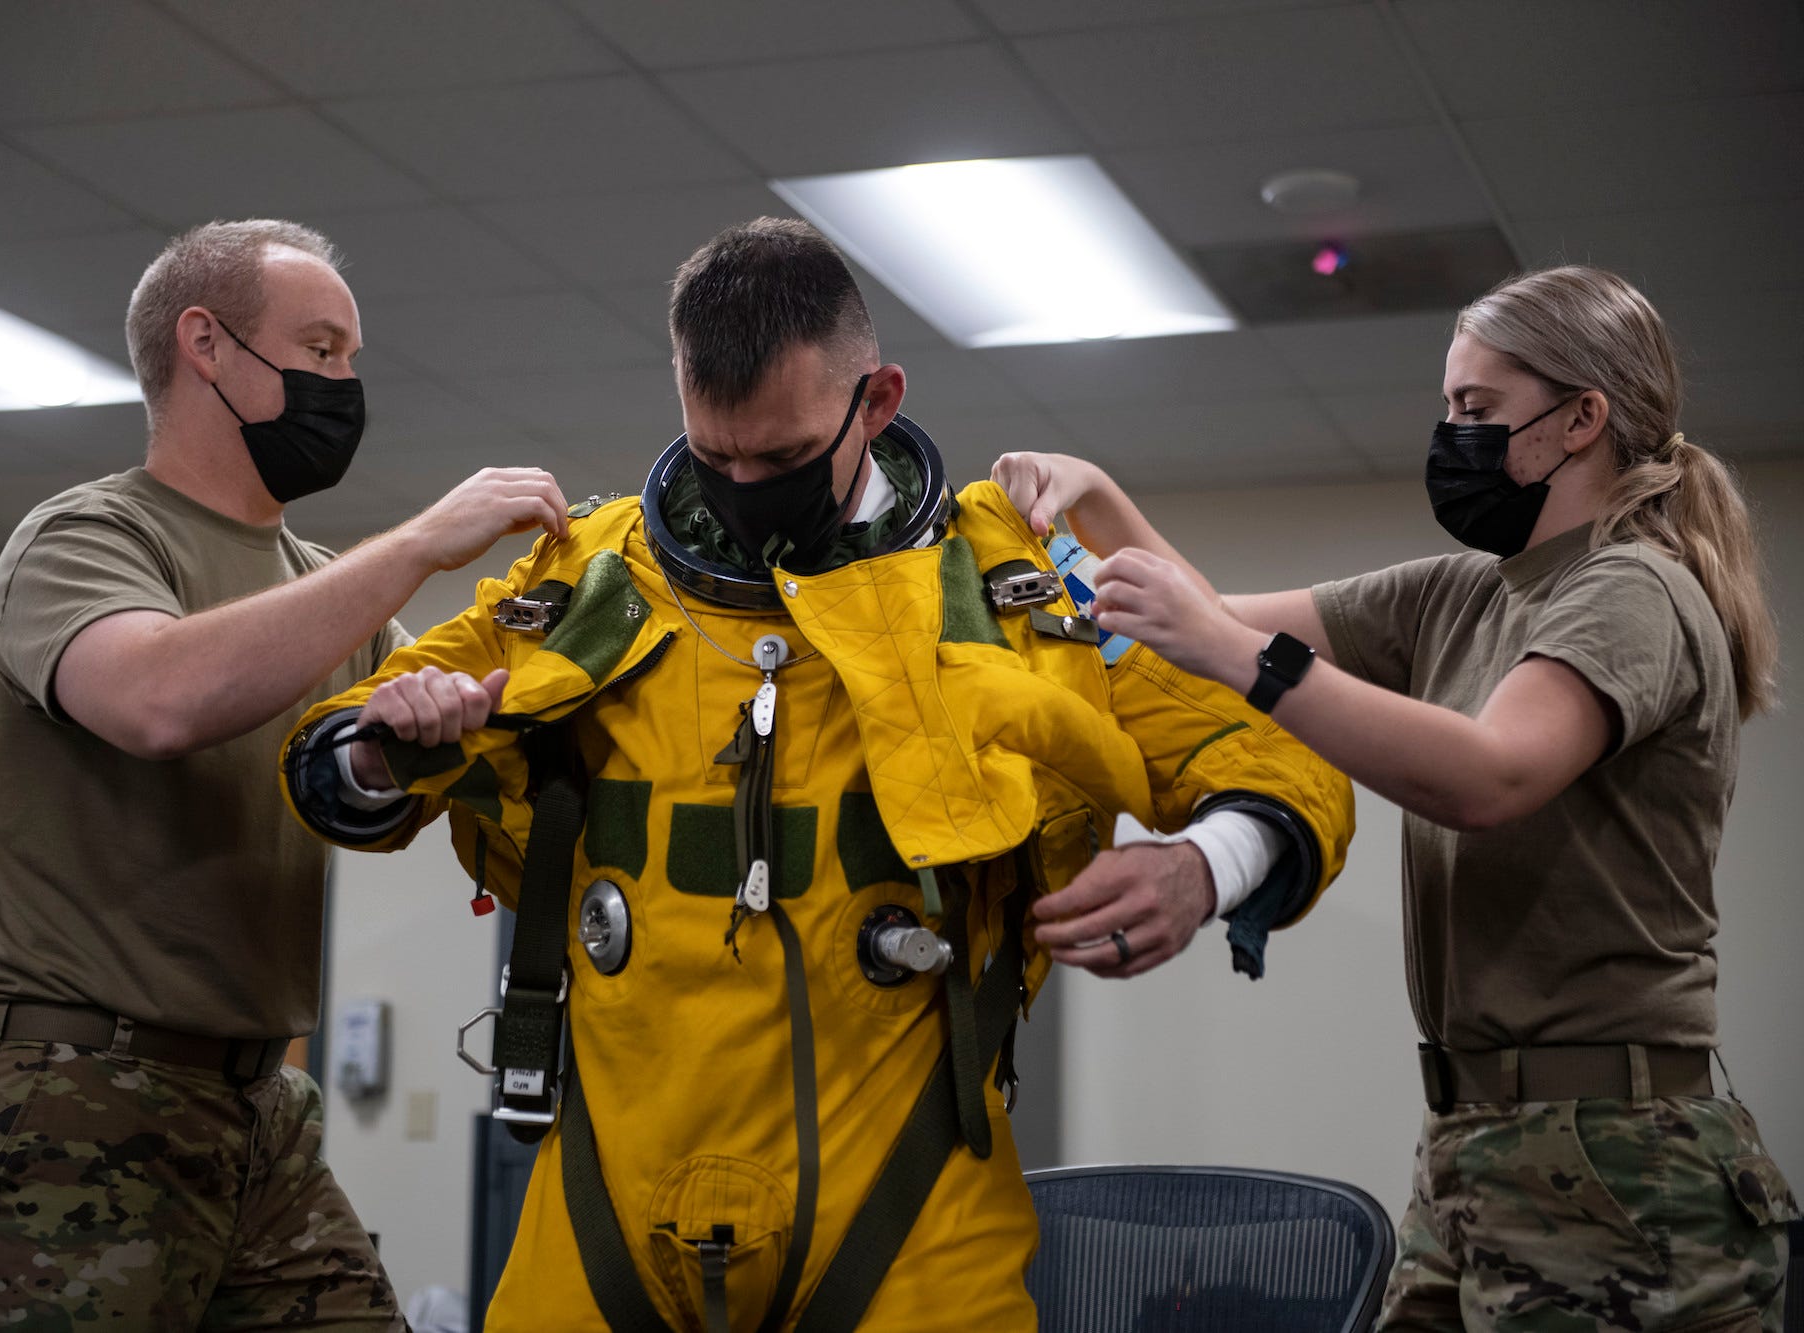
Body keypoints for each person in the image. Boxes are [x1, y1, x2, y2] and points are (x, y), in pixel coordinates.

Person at [279, 217, 1356, 1331]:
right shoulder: (590, 574)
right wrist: (384, 742)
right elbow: (335, 758)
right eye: (715, 455)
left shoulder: (1011, 580)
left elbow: (1274, 758)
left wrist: (1201, 867)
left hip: (907, 1213)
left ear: (876, 399)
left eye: (783, 459)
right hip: (602, 1206)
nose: (745, 485)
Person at [993, 265, 1796, 1332]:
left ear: (1579, 420)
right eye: (1446, 406)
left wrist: (1243, 660)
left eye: (1477, 410)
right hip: (1474, 1139)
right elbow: (1197, 618)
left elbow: (1487, 774)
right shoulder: (1462, 590)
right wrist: (1091, 495)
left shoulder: (1633, 589)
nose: (1450, 432)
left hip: (1616, 1152)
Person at [0, 219, 570, 1330]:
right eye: (321, 347)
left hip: (258, 1106)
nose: (346, 382)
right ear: (206, 344)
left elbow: (360, 798)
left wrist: (407, 740)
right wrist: (420, 543)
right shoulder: (83, 538)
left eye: (352, 357)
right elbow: (157, 699)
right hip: (64, 1097)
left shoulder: (332, 596)